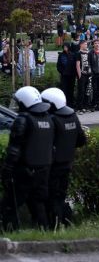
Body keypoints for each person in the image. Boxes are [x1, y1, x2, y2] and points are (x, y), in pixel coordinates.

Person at [1, 87, 54, 230]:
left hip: (24, 171)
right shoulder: (48, 119)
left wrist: (7, 170)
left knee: (9, 205)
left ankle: (10, 232)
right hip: (43, 170)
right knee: (38, 203)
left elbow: (14, 150)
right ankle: (43, 231)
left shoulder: (23, 120)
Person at [40, 88, 86, 228]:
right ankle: (63, 223)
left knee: (50, 197)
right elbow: (81, 140)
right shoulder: (72, 116)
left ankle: (53, 225)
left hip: (52, 166)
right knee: (61, 196)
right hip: (67, 163)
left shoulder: (52, 119)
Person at [56, 43, 76, 108]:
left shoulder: (72, 55)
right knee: (64, 90)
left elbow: (75, 65)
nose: (65, 48)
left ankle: (71, 104)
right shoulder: (61, 55)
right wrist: (62, 72)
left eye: (66, 47)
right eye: (64, 47)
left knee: (71, 90)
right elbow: (58, 65)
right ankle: (64, 104)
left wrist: (74, 73)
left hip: (71, 75)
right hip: (64, 75)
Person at [88, 40, 99, 111]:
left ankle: (97, 104)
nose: (97, 44)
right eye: (95, 43)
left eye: (98, 43)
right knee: (94, 90)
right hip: (94, 74)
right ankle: (92, 105)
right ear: (93, 45)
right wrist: (91, 72)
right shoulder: (90, 53)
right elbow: (89, 63)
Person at [74, 40, 91, 114]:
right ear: (81, 45)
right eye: (85, 44)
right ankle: (79, 108)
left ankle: (85, 106)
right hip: (82, 74)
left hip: (88, 74)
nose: (86, 45)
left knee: (87, 91)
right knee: (81, 91)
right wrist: (79, 75)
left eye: (87, 44)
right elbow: (77, 64)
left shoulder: (88, 53)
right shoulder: (78, 53)